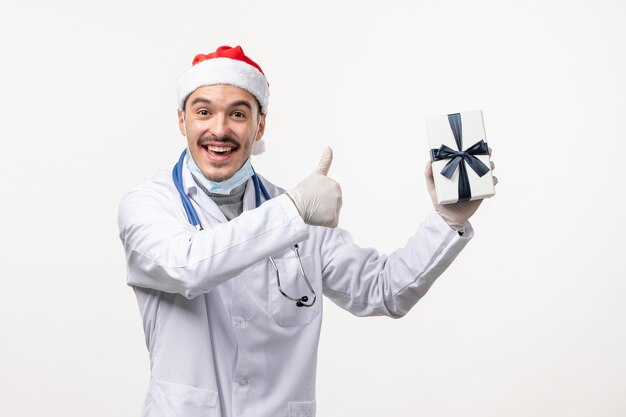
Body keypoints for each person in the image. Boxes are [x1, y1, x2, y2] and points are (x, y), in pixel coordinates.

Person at [118, 45, 495, 417]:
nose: (220, 129)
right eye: (203, 112)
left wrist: (448, 218)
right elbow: (187, 266)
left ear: (259, 124)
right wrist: (294, 209)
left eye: (238, 113)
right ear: (182, 120)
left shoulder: (296, 213)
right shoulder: (150, 204)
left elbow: (383, 291)